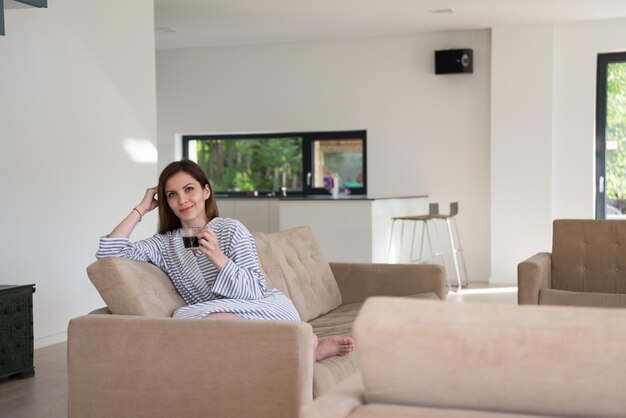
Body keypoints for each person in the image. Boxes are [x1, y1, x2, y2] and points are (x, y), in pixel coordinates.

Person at [97, 159, 354, 362]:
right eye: (172, 195)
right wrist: (141, 207)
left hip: (261, 307)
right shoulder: (164, 244)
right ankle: (306, 350)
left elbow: (254, 290)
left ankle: (305, 347)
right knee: (186, 319)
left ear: (206, 191)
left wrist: (218, 258)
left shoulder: (231, 230)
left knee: (207, 319)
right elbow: (109, 251)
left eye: (189, 190)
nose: (182, 200)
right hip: (211, 318)